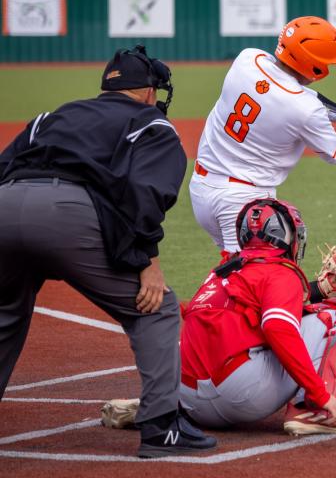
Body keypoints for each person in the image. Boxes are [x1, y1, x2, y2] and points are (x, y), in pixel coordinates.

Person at [0, 46, 217, 458]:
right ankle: (162, 427)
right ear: (150, 91)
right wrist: (146, 263)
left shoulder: (52, 116)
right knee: (156, 308)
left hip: (4, 206)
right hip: (68, 216)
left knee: (5, 310)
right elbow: (145, 197)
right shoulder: (152, 124)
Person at [100, 198, 336, 436]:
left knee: (193, 343)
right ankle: (311, 410)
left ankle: (160, 406)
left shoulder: (222, 271)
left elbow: (268, 306)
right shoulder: (280, 272)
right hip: (239, 396)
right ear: (289, 237)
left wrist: (320, 289)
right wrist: (320, 394)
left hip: (186, 394)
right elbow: (277, 326)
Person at [190, 16, 336, 258]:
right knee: (252, 280)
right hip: (243, 200)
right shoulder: (306, 109)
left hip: (202, 188)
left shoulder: (247, 59)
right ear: (314, 65)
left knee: (234, 271)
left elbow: (290, 89)